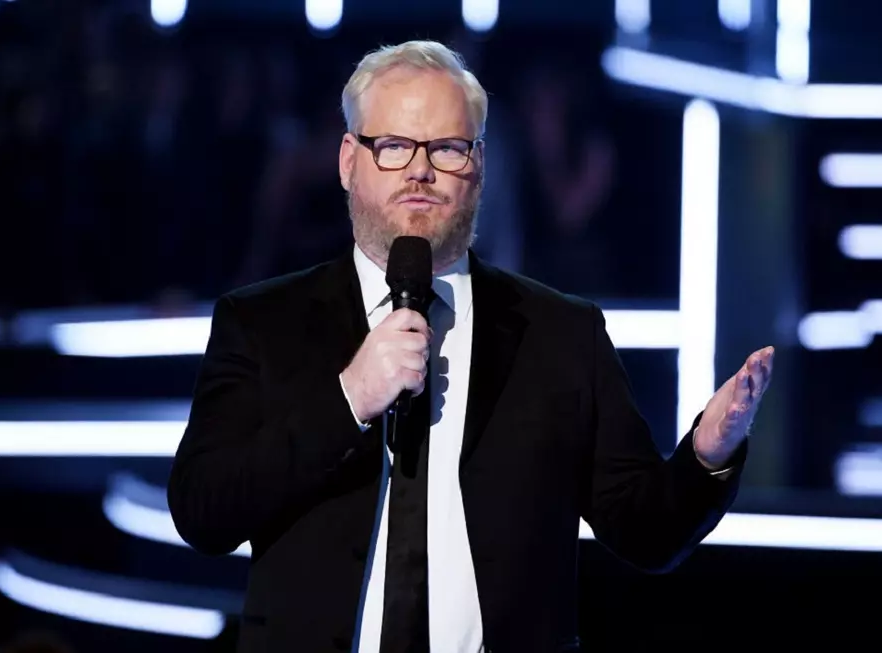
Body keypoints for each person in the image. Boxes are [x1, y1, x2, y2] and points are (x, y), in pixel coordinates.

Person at [167, 40, 775, 653]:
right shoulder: (263, 321)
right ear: (349, 160)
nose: (420, 170)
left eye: (448, 149)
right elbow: (204, 512)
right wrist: (348, 398)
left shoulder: (561, 334)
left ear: (479, 166)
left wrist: (707, 454)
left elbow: (647, 532)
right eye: (395, 146)